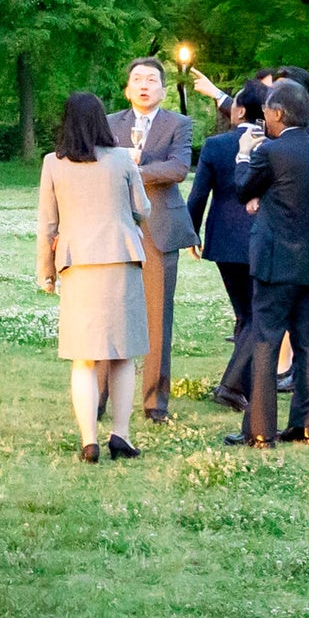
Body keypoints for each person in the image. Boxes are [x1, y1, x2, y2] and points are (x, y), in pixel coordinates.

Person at [35, 90, 150, 462]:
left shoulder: (53, 163)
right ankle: (121, 434)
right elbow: (142, 209)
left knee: (83, 357)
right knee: (123, 355)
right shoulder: (122, 159)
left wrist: (46, 272)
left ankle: (89, 439)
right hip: (121, 260)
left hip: (78, 263)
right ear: (102, 120)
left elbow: (47, 225)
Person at [230, 80, 309, 446]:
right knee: (308, 344)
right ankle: (305, 425)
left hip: (276, 261)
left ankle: (259, 429)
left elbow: (243, 187)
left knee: (265, 341)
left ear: (277, 113)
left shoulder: (270, 152)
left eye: (266, 113)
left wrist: (243, 153)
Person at [107, 58, 195, 421]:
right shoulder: (110, 124)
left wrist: (135, 171)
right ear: (127, 88)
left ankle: (155, 402)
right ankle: (99, 396)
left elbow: (177, 169)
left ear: (162, 88)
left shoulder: (179, 123)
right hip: (115, 229)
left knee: (158, 318)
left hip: (160, 229)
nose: (144, 85)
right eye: (137, 80)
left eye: (152, 80)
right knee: (109, 315)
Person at [193, 87, 262, 413]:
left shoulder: (215, 145)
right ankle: (233, 384)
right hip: (260, 237)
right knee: (257, 315)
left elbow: (198, 195)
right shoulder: (271, 146)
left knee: (244, 313)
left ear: (238, 111)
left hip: (222, 238)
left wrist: (192, 232)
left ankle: (242, 386)